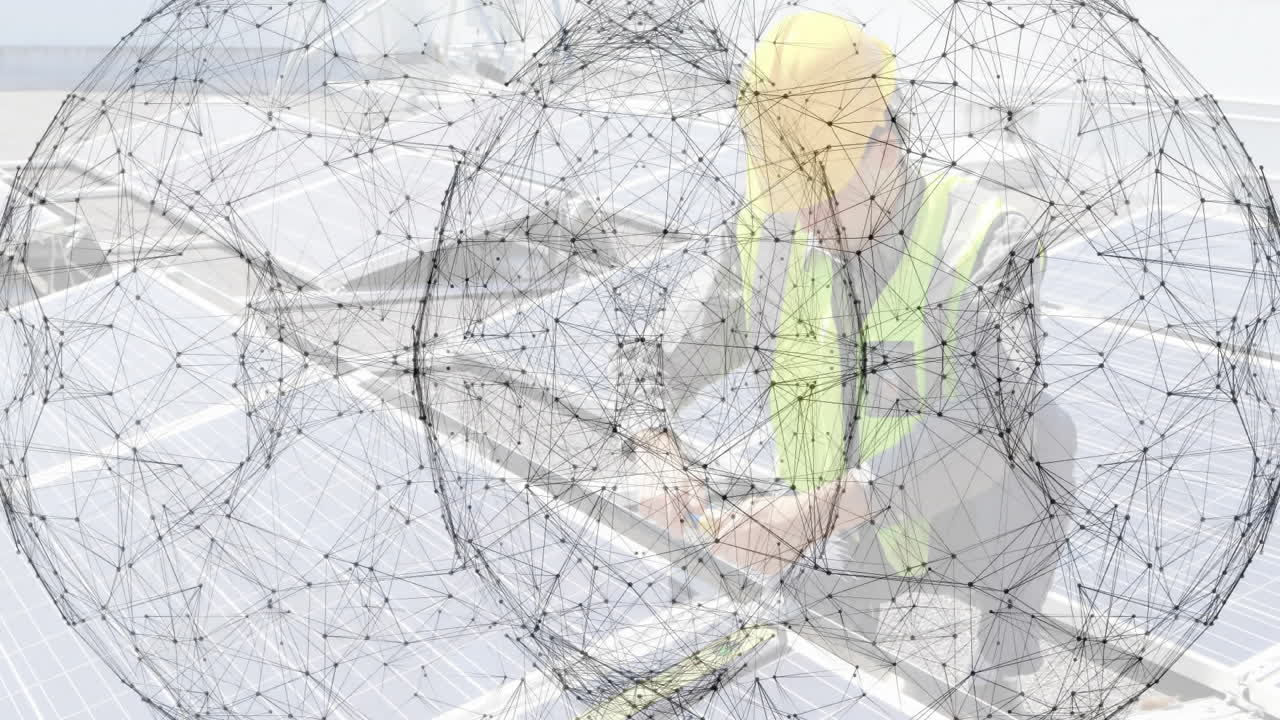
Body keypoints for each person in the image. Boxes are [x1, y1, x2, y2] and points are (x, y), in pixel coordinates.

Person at [609, 10, 1077, 711]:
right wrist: (653, 442)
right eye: (790, 191)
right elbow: (654, 351)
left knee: (1047, 431)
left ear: (884, 144)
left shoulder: (986, 237)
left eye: (822, 187)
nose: (806, 216)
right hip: (838, 539)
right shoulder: (771, 234)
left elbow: (996, 421)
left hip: (962, 544)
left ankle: (999, 670)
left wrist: (816, 514)